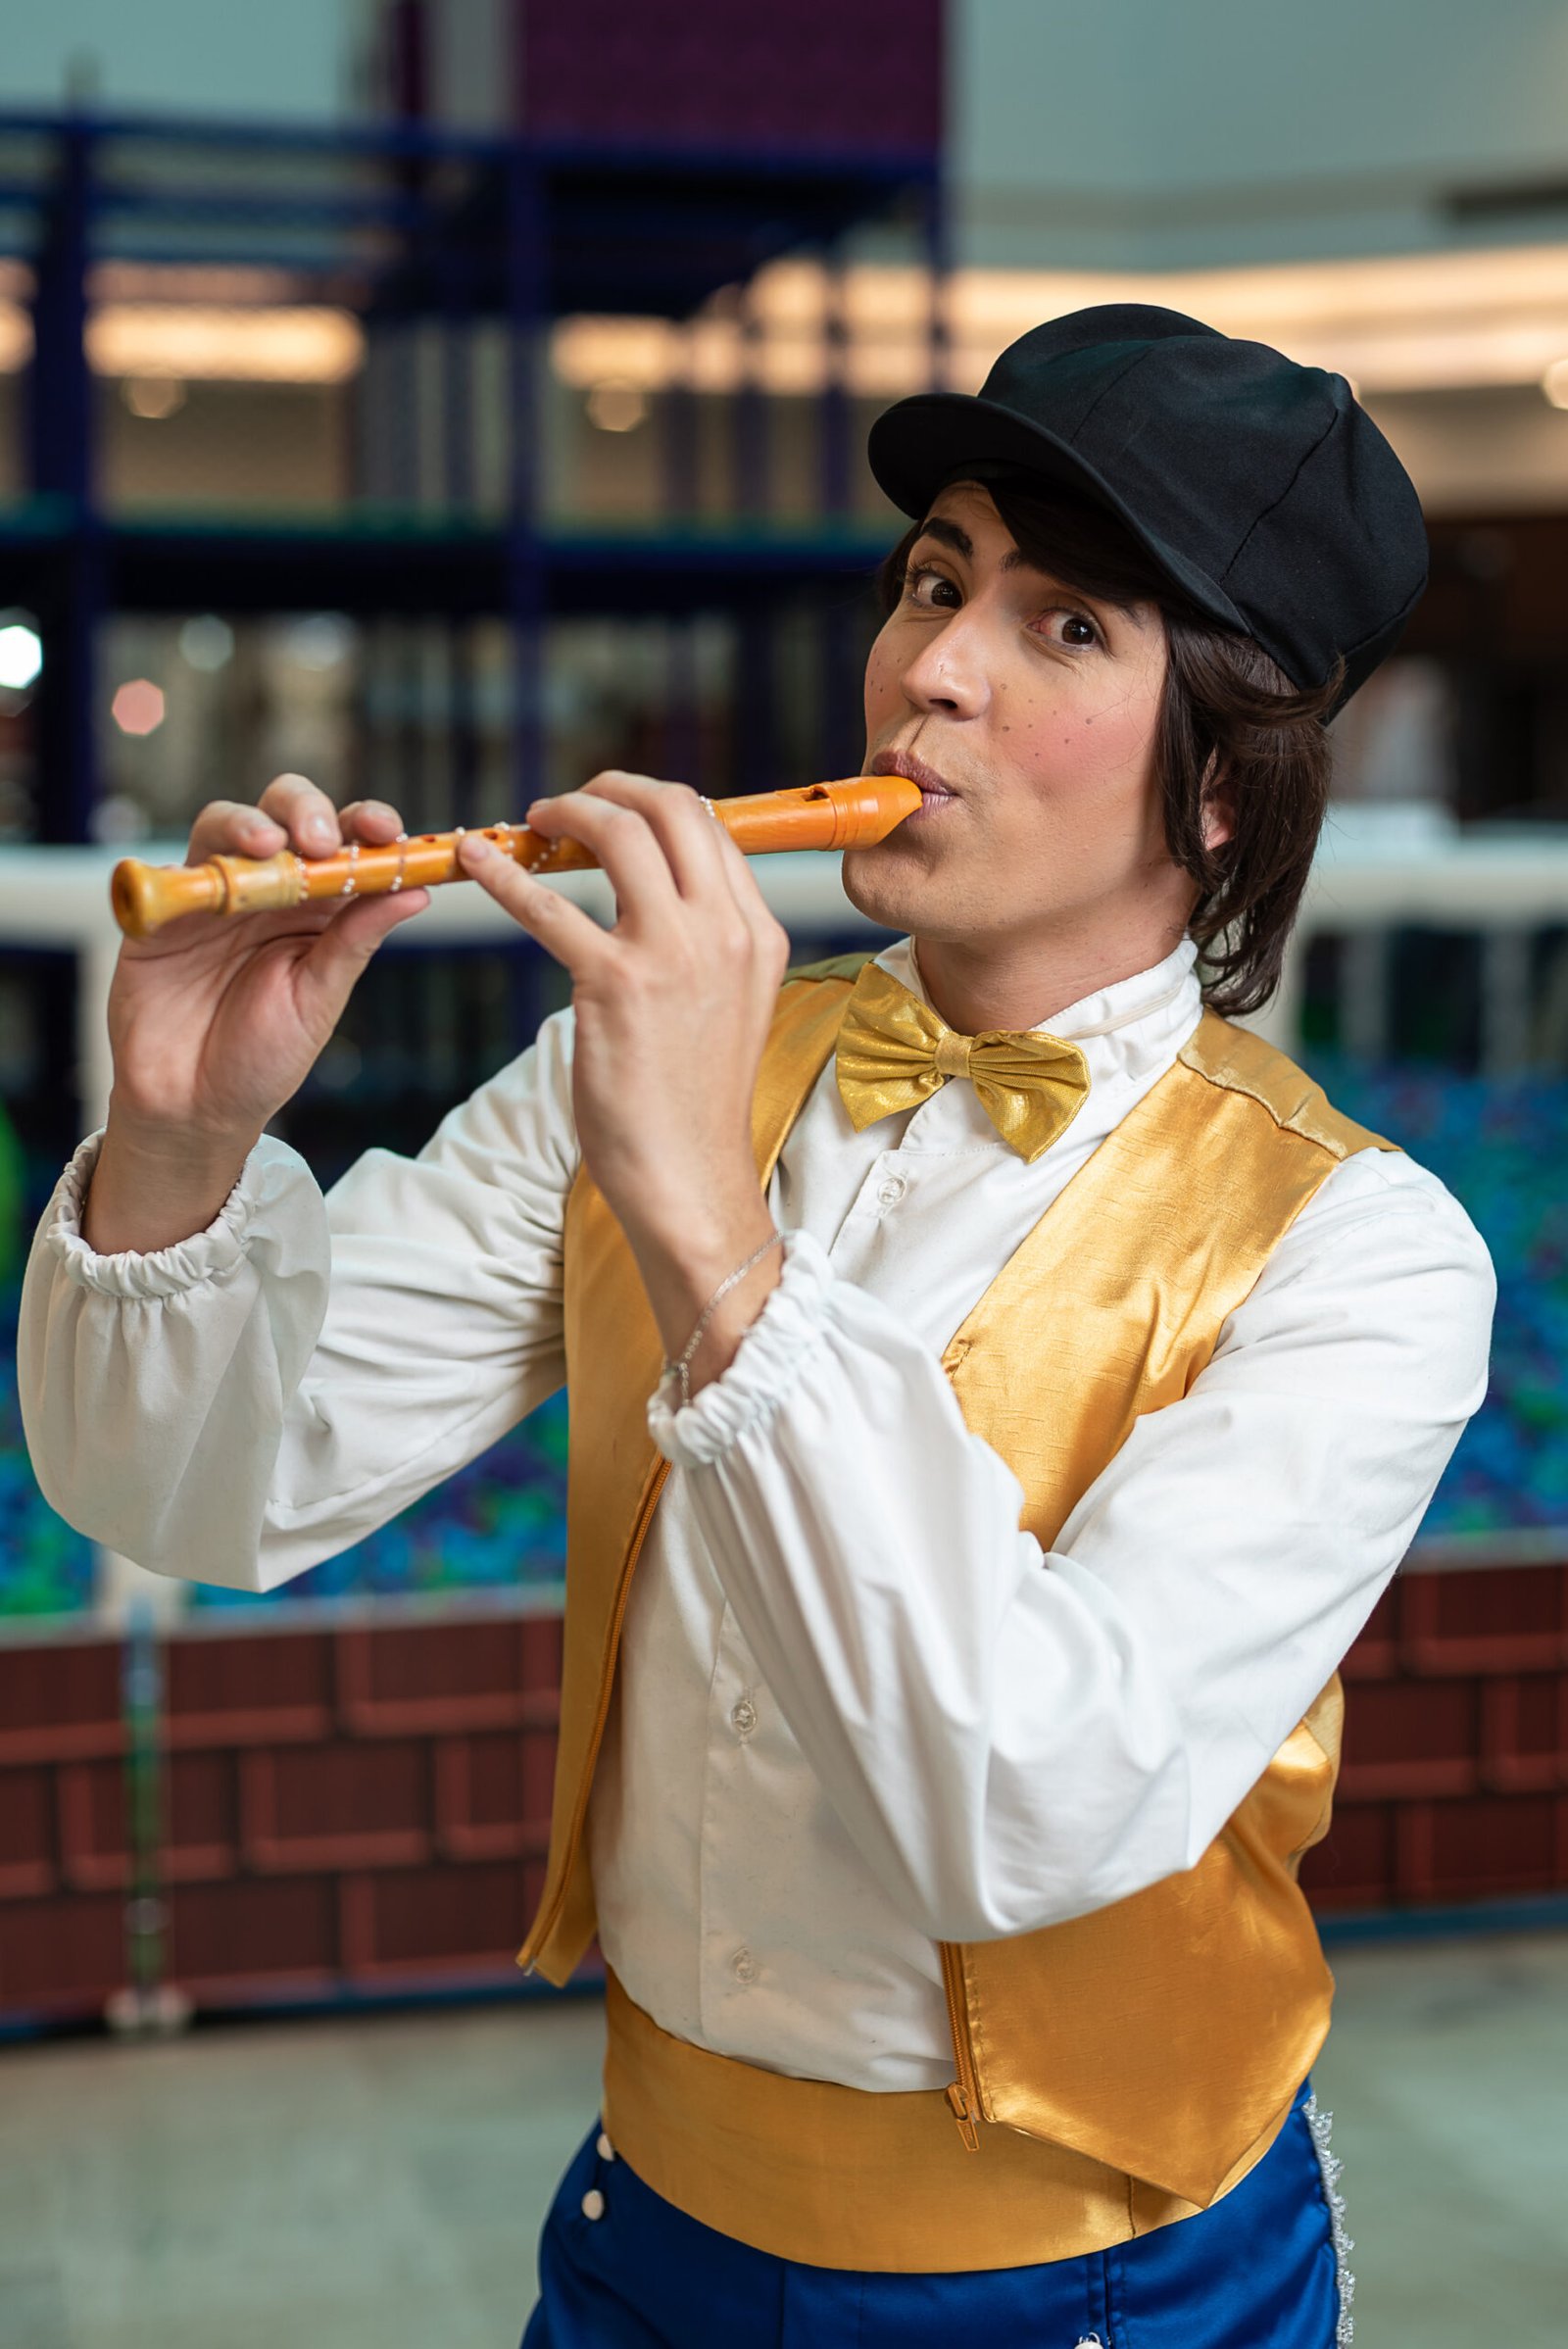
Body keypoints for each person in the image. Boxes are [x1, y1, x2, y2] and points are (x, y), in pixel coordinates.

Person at [22, 308, 1494, 2347]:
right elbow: (202, 1491)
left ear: (1227, 787)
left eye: (1067, 625)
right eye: (936, 581)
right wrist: (186, 1134)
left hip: (1113, 2282)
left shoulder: (1367, 1255)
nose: (935, 668)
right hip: (650, 2227)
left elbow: (1030, 1797)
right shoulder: (633, 1068)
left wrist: (720, 1246)